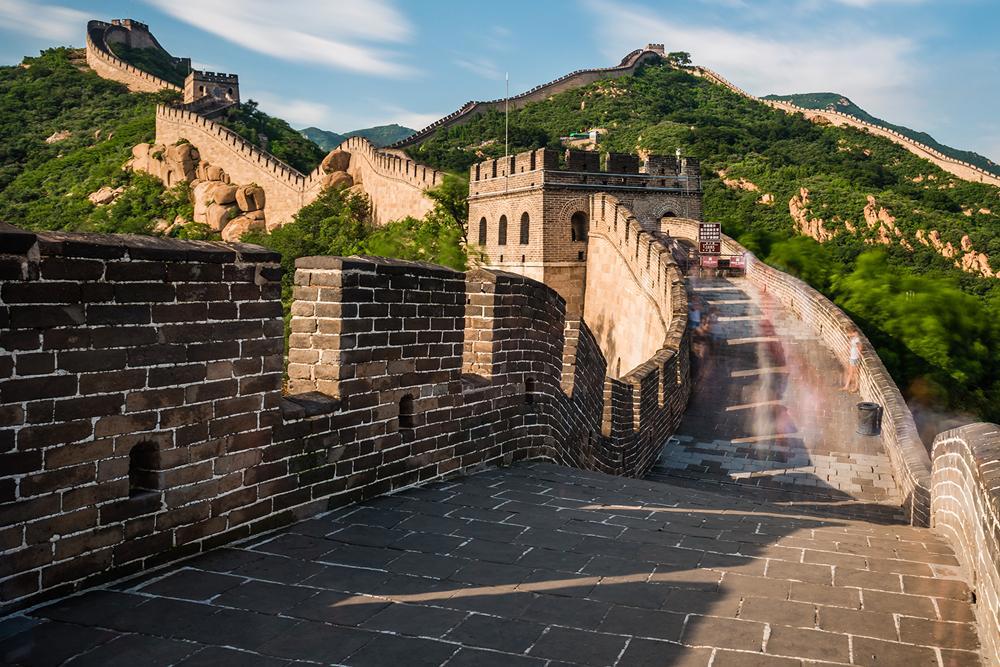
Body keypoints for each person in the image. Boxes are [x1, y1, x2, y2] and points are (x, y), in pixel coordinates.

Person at [842, 328, 862, 392]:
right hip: (852, 357)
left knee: (855, 373)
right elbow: (847, 335)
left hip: (855, 358)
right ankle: (846, 386)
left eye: (851, 332)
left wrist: (859, 355)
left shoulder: (857, 339)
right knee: (850, 373)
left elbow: (860, 347)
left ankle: (856, 387)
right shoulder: (853, 338)